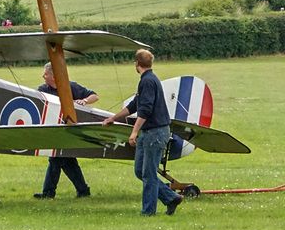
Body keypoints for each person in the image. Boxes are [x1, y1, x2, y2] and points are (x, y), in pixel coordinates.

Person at [102, 49, 184, 216]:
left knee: (148, 174)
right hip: (149, 133)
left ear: (137, 64)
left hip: (155, 133)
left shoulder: (148, 81)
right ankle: (171, 197)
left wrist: (134, 132)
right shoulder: (147, 80)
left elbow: (145, 110)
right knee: (140, 171)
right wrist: (114, 118)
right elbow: (134, 105)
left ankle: (148, 211)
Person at [33, 62, 99, 199]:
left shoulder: (71, 86)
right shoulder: (42, 90)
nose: (43, 76)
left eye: (45, 74)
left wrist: (84, 101)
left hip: (70, 130)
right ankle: (82, 190)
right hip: (55, 131)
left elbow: (94, 96)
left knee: (56, 158)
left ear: (54, 76)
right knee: (67, 160)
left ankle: (48, 193)